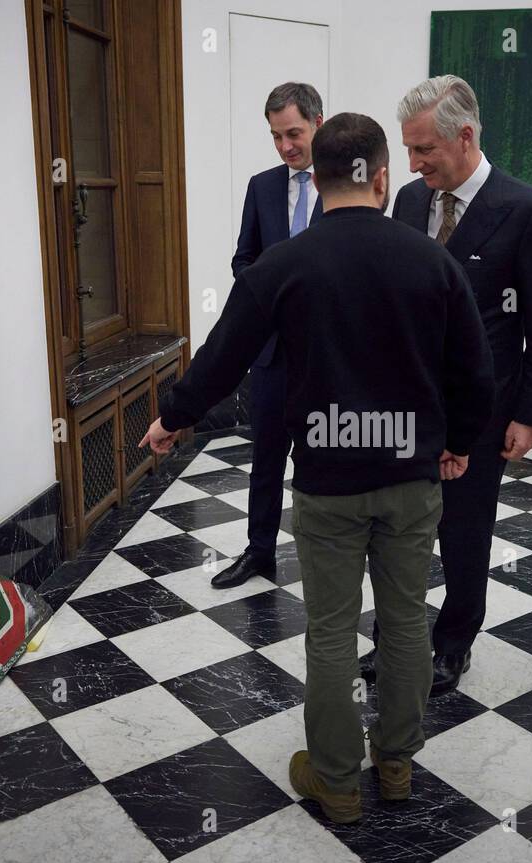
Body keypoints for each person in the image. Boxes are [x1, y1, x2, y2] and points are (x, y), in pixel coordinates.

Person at [141, 113, 495, 823]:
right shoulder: (434, 262)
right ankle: (395, 763)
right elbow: (474, 372)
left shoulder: (285, 265)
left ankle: (334, 778)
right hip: (410, 479)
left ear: (320, 178)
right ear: (383, 177)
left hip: (329, 484)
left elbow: (222, 356)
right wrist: (454, 441)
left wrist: (174, 416)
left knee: (331, 631)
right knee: (403, 620)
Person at [360, 74, 532, 696]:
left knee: (465, 529)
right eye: (409, 150)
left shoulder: (528, 211)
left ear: (466, 135)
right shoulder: (409, 204)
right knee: (397, 529)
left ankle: (454, 644)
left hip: (481, 409)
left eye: (425, 150)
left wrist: (528, 415)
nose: (414, 164)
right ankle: (397, 640)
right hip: (407, 408)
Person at [215, 82, 325, 589]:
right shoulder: (261, 186)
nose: (285, 146)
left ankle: (323, 555)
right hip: (272, 354)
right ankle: (259, 551)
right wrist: (270, 291)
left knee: (321, 460)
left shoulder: (349, 182)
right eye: (276, 136)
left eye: (294, 133)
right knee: (265, 460)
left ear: (318, 124)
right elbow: (243, 259)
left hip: (327, 357)